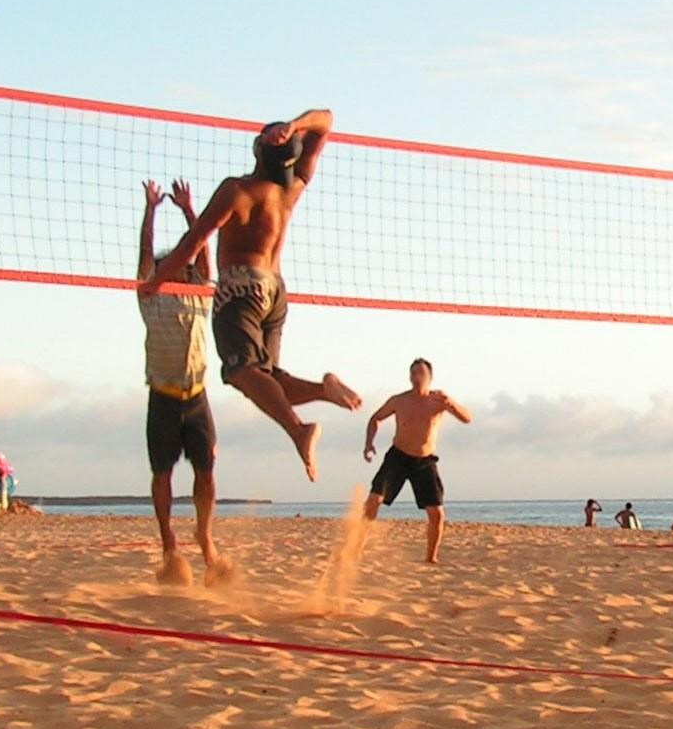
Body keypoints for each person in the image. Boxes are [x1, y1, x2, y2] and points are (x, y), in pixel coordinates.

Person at [139, 109, 361, 482]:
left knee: (241, 372)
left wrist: (155, 281)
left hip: (241, 287)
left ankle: (299, 430)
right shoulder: (292, 187)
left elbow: (193, 244)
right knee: (267, 381)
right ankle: (323, 390)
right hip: (275, 290)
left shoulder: (237, 190)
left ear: (258, 150)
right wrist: (296, 127)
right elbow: (327, 120)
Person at [136, 178, 231, 585]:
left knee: (206, 472)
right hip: (162, 396)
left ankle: (204, 536)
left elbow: (203, 254)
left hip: (196, 397)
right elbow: (144, 256)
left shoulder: (199, 293)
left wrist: (191, 210)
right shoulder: (150, 293)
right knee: (162, 475)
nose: (179, 267)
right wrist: (151, 210)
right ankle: (168, 543)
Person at [362, 358, 472, 564]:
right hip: (398, 458)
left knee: (437, 513)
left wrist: (451, 404)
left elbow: (467, 418)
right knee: (373, 500)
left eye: (421, 372)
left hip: (424, 462)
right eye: (413, 373)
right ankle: (356, 546)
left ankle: (431, 558)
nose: (417, 376)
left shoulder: (439, 401)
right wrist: (369, 444)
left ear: (430, 377)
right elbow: (375, 418)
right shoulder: (399, 400)